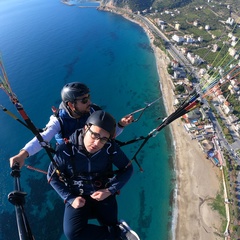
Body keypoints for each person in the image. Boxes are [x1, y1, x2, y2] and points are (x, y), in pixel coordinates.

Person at [47, 110, 140, 240]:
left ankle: (119, 231)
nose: (97, 143)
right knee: (73, 233)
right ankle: (118, 233)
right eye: (94, 135)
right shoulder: (66, 150)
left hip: (102, 191)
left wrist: (109, 190)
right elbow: (52, 177)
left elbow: (127, 169)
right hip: (77, 194)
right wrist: (70, 198)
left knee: (110, 224)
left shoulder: (109, 148)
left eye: (103, 139)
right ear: (86, 128)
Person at [9, 82, 133, 168]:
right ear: (71, 105)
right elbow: (44, 137)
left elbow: (106, 136)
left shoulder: (93, 111)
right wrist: (22, 154)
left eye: (88, 97)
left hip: (91, 149)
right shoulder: (59, 120)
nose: (89, 102)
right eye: (84, 100)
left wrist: (121, 125)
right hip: (70, 156)